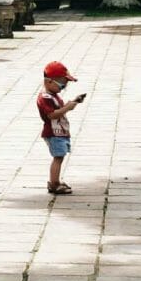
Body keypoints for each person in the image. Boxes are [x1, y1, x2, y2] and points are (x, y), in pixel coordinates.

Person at [37, 61, 85, 195]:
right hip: (53, 132)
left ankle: (55, 181)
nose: (63, 87)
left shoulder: (53, 95)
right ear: (49, 81)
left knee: (60, 156)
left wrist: (72, 103)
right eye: (62, 84)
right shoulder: (44, 97)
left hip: (59, 131)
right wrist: (67, 108)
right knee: (58, 157)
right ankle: (54, 183)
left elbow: (59, 110)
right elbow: (52, 115)